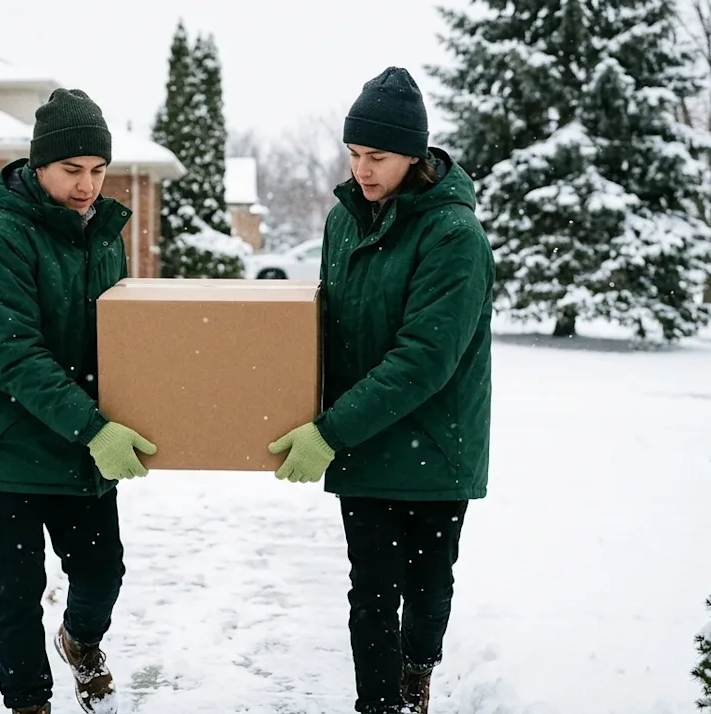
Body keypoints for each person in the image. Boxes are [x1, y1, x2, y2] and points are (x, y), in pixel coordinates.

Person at [268, 67, 494, 714]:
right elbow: (326, 331)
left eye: (379, 157)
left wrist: (329, 430)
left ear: (415, 155)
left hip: (433, 446)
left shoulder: (454, 236)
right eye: (356, 155)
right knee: (369, 593)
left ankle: (417, 672)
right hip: (364, 447)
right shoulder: (344, 225)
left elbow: (425, 360)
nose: (363, 170)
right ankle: (380, 707)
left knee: (426, 591)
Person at [0, 87, 158, 714]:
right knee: (16, 592)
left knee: (102, 574)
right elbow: (14, 355)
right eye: (72, 170)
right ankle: (29, 704)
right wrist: (93, 427)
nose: (88, 185)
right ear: (38, 165)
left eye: (98, 171)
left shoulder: (101, 236)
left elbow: (115, 339)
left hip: (79, 439)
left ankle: (79, 639)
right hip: (7, 444)